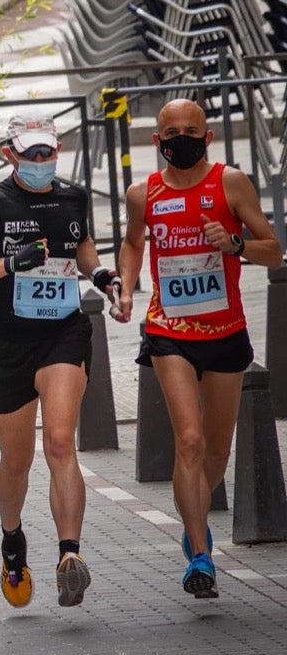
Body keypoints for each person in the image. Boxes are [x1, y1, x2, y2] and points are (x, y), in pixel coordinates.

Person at [0, 112, 118, 609]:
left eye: (48, 151)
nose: (41, 160)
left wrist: (101, 276)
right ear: (10, 154)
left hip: (63, 334)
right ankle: (12, 539)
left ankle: (69, 555)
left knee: (60, 442)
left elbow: (82, 247)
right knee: (16, 463)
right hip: (6, 345)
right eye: (31, 153)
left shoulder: (73, 196)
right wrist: (10, 264)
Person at [113, 98, 283, 599]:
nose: (181, 139)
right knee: (187, 440)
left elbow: (273, 250)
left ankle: (194, 521)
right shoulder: (143, 193)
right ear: (157, 141)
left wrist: (235, 244)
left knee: (216, 449)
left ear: (207, 137)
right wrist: (127, 288)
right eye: (172, 133)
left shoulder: (230, 183)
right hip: (169, 331)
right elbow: (133, 243)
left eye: (192, 131)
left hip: (225, 331)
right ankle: (200, 554)